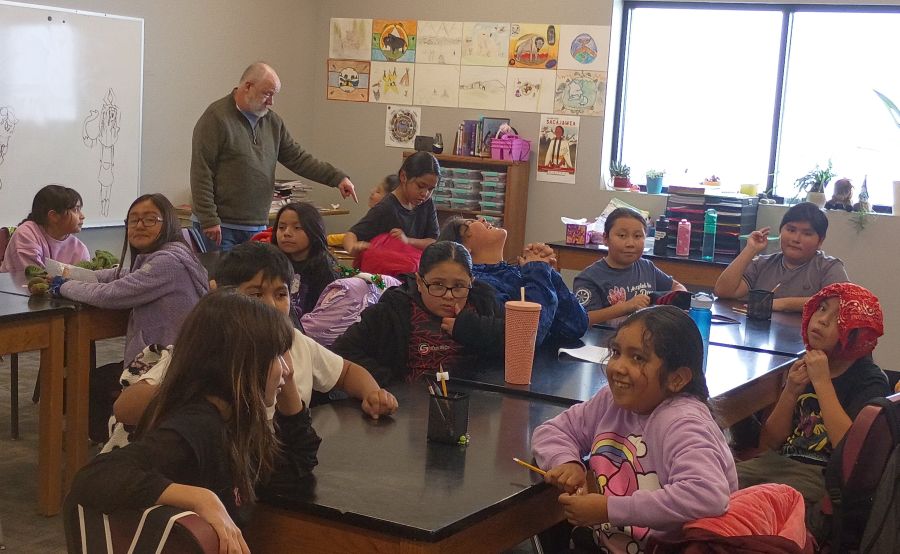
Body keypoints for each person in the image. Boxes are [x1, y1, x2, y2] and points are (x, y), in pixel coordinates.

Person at [67, 291, 322, 552]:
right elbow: (94, 477)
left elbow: (294, 469)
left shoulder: (234, 421)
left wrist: (287, 390)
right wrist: (202, 498)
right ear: (240, 362)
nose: (288, 369)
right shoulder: (199, 426)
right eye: (277, 357)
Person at [109, 241, 397, 443]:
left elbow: (346, 372)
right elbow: (125, 409)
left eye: (280, 294)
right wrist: (203, 390)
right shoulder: (207, 347)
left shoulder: (294, 341)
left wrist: (372, 393)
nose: (270, 306)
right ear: (222, 296)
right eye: (255, 295)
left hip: (283, 463)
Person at [531, 306, 738, 552]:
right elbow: (552, 431)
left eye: (638, 358)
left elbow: (707, 495)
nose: (618, 367)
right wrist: (567, 462)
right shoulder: (611, 402)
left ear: (677, 379)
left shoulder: (683, 422)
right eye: (616, 352)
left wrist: (608, 509)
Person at [31, 194, 209, 442]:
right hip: (170, 357)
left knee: (86, 386)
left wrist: (63, 285)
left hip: (167, 365)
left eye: (150, 219)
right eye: (133, 220)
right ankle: (104, 437)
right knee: (92, 381)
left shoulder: (167, 262)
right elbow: (120, 276)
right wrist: (75, 274)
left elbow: (112, 294)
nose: (139, 225)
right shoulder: (170, 255)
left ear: (167, 223)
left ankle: (104, 443)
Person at [736, 283, 890, 511]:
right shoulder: (804, 364)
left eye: (839, 318)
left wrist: (823, 383)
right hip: (778, 463)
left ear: (857, 333)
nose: (822, 320)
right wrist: (790, 391)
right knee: (716, 484)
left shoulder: (869, 380)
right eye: (822, 309)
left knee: (753, 507)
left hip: (820, 475)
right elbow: (768, 443)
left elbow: (851, 452)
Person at [190, 62, 357, 252]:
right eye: (267, 94)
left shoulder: (272, 122)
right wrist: (209, 219)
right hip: (220, 227)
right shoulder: (216, 118)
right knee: (221, 281)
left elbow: (298, 158)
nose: (271, 102)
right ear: (248, 87)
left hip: (257, 226)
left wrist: (336, 177)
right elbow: (201, 172)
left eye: (273, 95)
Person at [332, 241, 504, 386]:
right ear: (420, 282)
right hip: (408, 408)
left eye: (459, 286)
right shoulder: (393, 310)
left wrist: (473, 327)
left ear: (471, 282)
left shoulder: (483, 303)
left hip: (475, 404)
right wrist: (390, 382)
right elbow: (342, 352)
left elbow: (523, 344)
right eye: (437, 285)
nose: (449, 295)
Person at [438, 217, 588, 345]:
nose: (483, 219)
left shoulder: (519, 271)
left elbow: (576, 326)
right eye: (471, 222)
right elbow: (529, 335)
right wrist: (538, 269)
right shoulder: (479, 284)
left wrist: (546, 269)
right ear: (464, 248)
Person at [713, 202, 849, 312]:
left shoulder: (830, 267)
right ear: (780, 232)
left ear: (820, 241)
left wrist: (781, 304)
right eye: (791, 230)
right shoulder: (763, 263)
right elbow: (723, 291)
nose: (796, 239)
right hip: (760, 338)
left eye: (807, 234)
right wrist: (750, 249)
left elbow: (838, 302)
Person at [573, 208, 686, 325]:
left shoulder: (646, 266)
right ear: (605, 238)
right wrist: (627, 307)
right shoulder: (589, 278)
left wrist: (678, 301)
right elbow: (583, 319)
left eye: (637, 236)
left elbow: (677, 287)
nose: (630, 244)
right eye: (622, 235)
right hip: (605, 340)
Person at [342, 151, 440, 257]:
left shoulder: (427, 203)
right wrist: (353, 248)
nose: (425, 193)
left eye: (430, 189)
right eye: (420, 186)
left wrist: (408, 241)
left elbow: (433, 241)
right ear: (403, 177)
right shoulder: (386, 208)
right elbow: (351, 235)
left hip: (415, 268)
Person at [270, 202, 340, 320]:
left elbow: (327, 315)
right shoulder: (273, 261)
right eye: (281, 227)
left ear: (313, 230)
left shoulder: (325, 267)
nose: (286, 233)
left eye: (297, 228)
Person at [1, 184, 90, 273]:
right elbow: (33, 279)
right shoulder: (26, 234)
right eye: (75, 210)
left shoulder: (80, 249)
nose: (82, 216)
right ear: (54, 216)